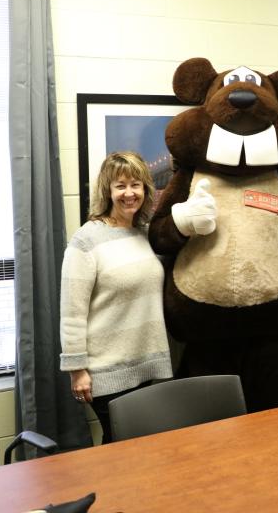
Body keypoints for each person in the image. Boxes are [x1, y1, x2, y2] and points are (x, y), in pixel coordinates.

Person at [60, 151, 173, 444]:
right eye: (120, 185)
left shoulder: (144, 234)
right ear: (107, 191)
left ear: (145, 189)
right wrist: (76, 370)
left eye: (135, 185)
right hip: (107, 371)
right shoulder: (87, 239)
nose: (129, 193)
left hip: (146, 365)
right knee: (120, 449)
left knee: (143, 448)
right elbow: (72, 311)